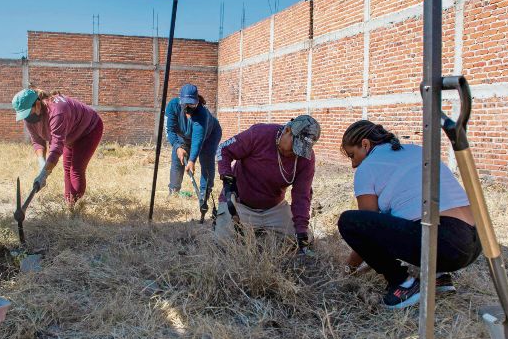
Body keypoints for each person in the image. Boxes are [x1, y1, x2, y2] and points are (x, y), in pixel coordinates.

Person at [337, 120, 483, 309]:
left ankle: (402, 283)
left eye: (352, 155)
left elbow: (366, 228)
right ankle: (437, 278)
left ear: (365, 144)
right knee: (414, 215)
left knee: (349, 222)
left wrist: (349, 269)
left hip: (445, 242)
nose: (353, 165)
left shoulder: (367, 167)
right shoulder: (416, 150)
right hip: (476, 240)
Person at [215, 114, 320, 254]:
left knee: (304, 238)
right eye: (295, 146)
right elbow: (223, 149)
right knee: (223, 243)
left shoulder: (306, 158)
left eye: (301, 150)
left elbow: (302, 195)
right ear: (287, 130)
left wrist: (301, 231)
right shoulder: (260, 134)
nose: (296, 153)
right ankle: (230, 221)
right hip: (241, 205)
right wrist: (228, 180)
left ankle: (259, 231)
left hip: (274, 209)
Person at [12, 88, 104, 210]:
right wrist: (42, 164)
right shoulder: (30, 119)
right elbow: (37, 141)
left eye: (28, 113)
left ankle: (74, 209)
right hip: (70, 133)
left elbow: (56, 147)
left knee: (75, 169)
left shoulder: (56, 112)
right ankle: (68, 204)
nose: (27, 118)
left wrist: (44, 173)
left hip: (89, 129)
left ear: (38, 104)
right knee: (66, 169)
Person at [165, 83, 222, 210]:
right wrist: (178, 146)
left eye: (193, 104)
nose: (190, 107)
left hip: (209, 136)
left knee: (206, 160)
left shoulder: (202, 114)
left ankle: (204, 194)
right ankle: (173, 191)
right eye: (187, 104)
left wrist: (191, 160)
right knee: (176, 159)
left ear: (197, 101)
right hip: (183, 137)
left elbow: (198, 139)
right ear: (181, 101)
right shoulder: (173, 106)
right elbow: (170, 130)